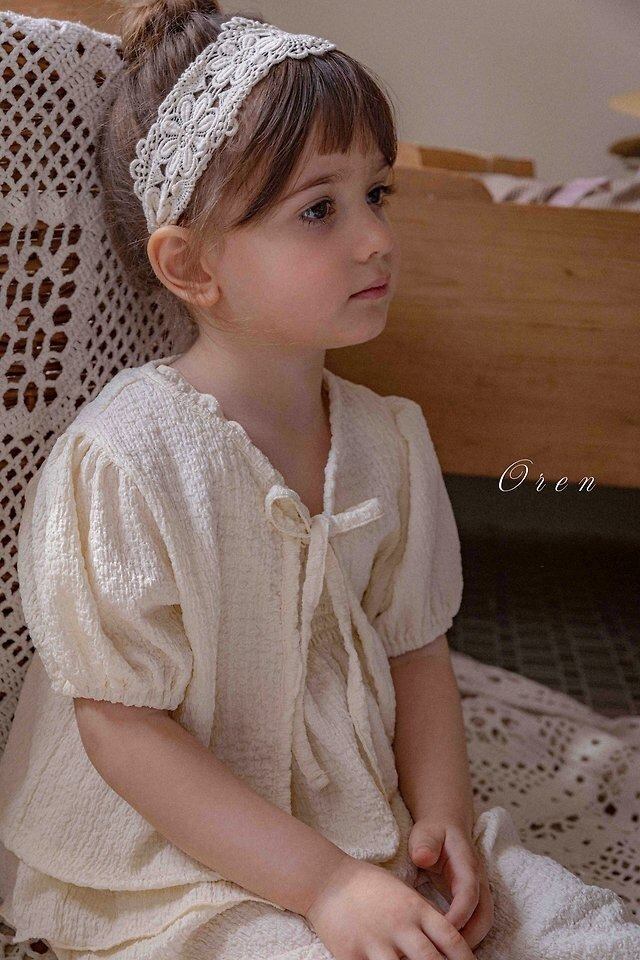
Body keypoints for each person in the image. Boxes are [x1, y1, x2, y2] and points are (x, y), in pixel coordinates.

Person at [0, 3, 495, 958]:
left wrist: (444, 815)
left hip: (354, 814)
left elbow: (415, 649)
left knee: (563, 925)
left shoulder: (389, 439)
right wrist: (325, 884)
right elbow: (121, 727)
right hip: (163, 844)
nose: (375, 239)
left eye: (376, 194)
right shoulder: (128, 458)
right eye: (319, 209)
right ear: (190, 264)